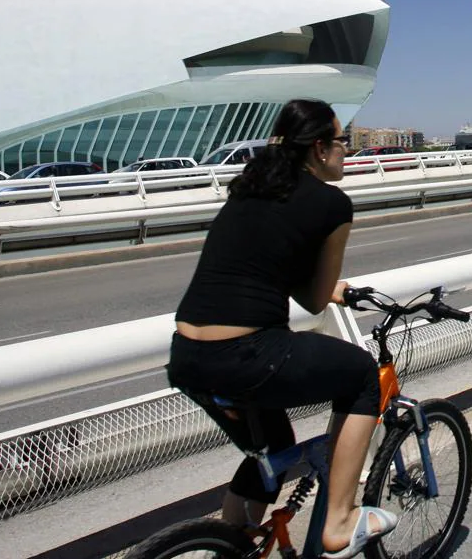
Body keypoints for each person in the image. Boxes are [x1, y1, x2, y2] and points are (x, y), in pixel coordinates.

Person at [167, 99, 395, 559]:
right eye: (341, 143)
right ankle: (339, 520)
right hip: (248, 352)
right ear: (318, 148)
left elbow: (267, 265)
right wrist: (329, 288)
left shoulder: (250, 189)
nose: (345, 151)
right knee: (361, 375)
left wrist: (329, 289)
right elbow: (311, 298)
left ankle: (232, 543)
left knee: (273, 448)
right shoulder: (332, 203)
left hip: (188, 356)